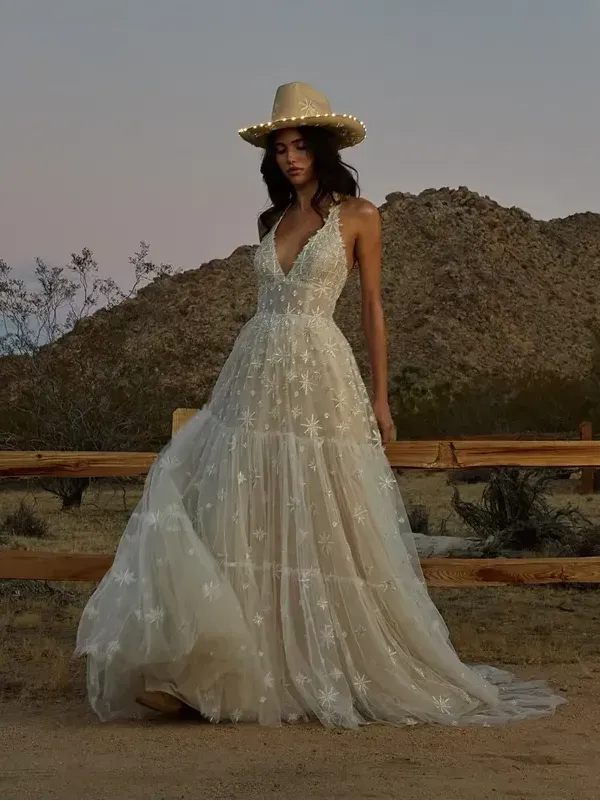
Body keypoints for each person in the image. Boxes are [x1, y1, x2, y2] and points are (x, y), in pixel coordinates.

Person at [76, 82, 566, 728]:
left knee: (320, 513)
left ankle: (305, 663)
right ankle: (213, 668)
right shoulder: (270, 222)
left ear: (323, 147)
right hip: (253, 374)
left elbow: (371, 307)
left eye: (300, 145)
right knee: (232, 504)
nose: (289, 157)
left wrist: (381, 396)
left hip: (319, 377)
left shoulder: (360, 216)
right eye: (280, 148)